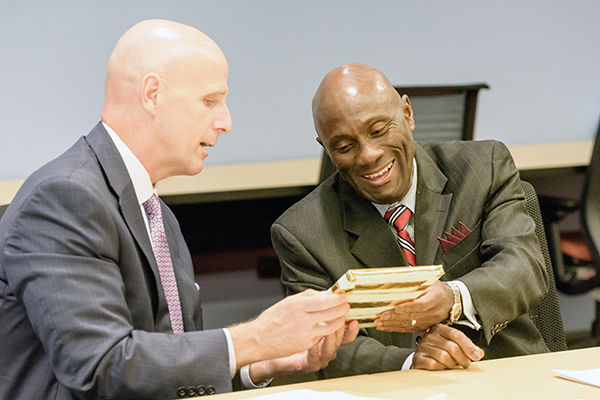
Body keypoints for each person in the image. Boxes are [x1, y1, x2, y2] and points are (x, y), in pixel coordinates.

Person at [0, 20, 359, 399]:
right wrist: (255, 337)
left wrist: (262, 362)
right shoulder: (63, 198)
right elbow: (101, 367)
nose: (226, 122)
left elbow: (162, 369)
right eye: (209, 101)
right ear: (152, 94)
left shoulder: (156, 214)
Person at [271, 63, 550, 378]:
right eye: (345, 146)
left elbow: (524, 266)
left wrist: (452, 297)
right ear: (325, 148)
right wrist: (411, 361)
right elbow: (321, 343)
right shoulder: (301, 231)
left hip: (504, 373)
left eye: (378, 130)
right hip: (394, 389)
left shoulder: (482, 168)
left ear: (407, 113)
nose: (368, 155)